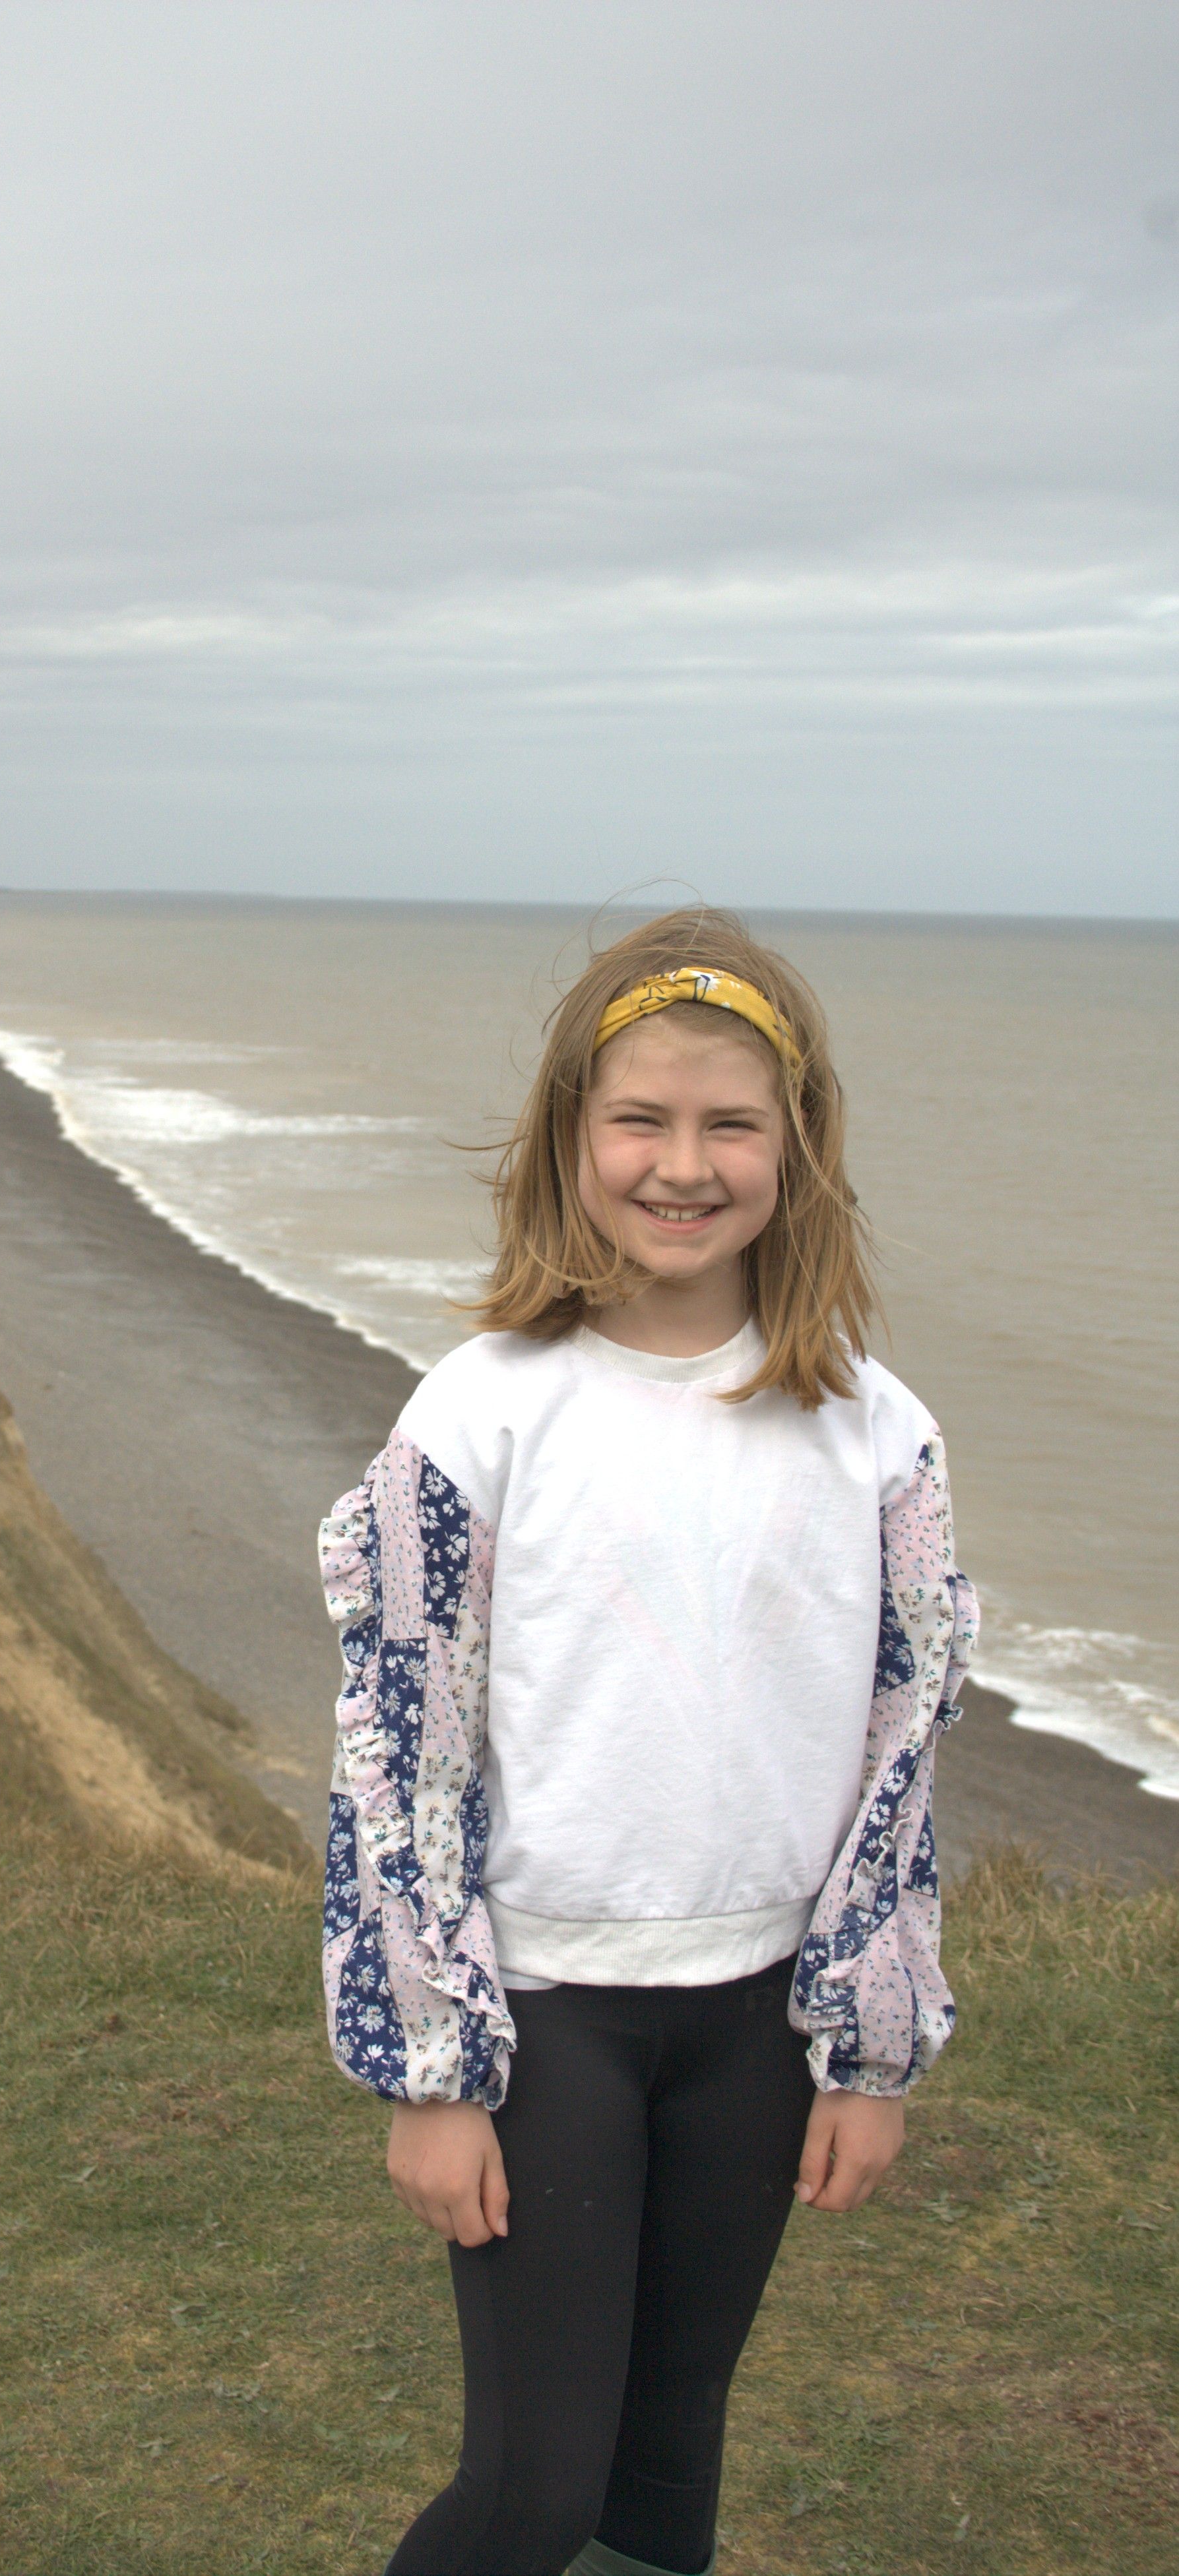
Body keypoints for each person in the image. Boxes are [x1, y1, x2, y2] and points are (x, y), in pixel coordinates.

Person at [319, 908, 976, 2576]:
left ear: (795, 1147)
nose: (681, 1166)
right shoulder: (479, 1411)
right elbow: (399, 1761)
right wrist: (429, 2074)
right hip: (545, 2020)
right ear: (568, 1140)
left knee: (666, 2463)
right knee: (534, 2487)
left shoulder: (872, 1433)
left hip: (754, 2026)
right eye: (640, 1120)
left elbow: (901, 1757)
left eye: (728, 1124)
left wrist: (870, 2051)